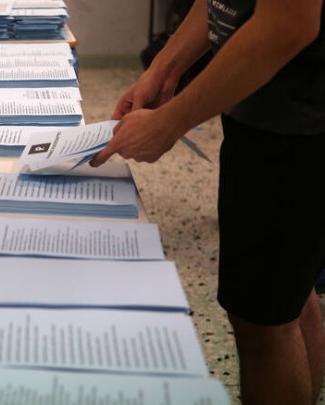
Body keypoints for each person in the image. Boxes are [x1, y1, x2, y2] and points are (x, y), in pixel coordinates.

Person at [90, 1, 325, 404]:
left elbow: (288, 24)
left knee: (263, 322)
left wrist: (170, 122)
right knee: (288, 293)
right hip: (262, 100)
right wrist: (165, 68)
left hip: (296, 118)